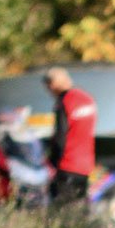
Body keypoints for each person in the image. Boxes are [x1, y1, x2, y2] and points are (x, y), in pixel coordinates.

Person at [43, 68, 96, 209]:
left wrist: (52, 163)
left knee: (61, 213)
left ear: (52, 85)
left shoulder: (64, 102)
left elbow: (60, 136)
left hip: (67, 165)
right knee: (80, 211)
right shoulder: (87, 99)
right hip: (85, 165)